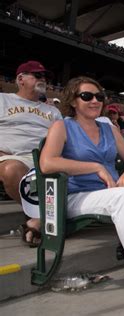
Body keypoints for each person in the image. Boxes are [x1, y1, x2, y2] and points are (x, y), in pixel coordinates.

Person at [34, 76, 124, 315]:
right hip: (77, 195)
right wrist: (95, 167)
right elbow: (47, 163)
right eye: (87, 96)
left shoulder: (109, 129)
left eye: (99, 97)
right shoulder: (62, 126)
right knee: (123, 197)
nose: (95, 101)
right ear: (73, 100)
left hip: (110, 191)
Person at [0, 60, 62, 245]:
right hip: (13, 156)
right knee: (12, 170)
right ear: (21, 79)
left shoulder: (52, 111)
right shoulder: (3, 99)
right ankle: (44, 216)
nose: (43, 79)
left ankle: (38, 220)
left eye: (45, 77)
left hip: (46, 157)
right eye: (37, 75)